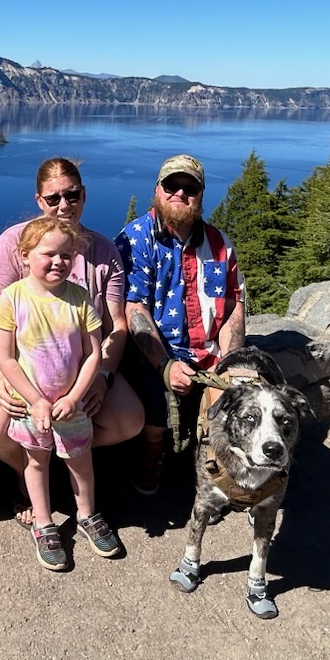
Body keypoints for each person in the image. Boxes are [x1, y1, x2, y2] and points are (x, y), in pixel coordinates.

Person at [0, 157, 143, 522]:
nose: (64, 205)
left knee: (129, 419)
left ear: (84, 195)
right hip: (20, 367)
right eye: (53, 198)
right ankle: (27, 473)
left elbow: (115, 325)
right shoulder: (13, 244)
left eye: (72, 195)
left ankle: (60, 457)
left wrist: (102, 377)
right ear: (39, 200)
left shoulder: (103, 252)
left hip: (79, 369)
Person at [0, 216, 124, 571]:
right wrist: (35, 400)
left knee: (81, 462)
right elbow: (5, 357)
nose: (58, 262)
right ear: (25, 255)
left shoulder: (79, 299)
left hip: (71, 406)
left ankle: (87, 514)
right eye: (48, 254)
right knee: (36, 462)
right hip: (31, 406)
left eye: (66, 255)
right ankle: (44, 523)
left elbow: (93, 354)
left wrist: (75, 397)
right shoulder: (13, 298)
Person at [114, 154, 244, 495]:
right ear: (158, 189)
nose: (180, 194)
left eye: (190, 188)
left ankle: (216, 466)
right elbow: (134, 308)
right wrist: (165, 365)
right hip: (155, 351)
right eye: (172, 185)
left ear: (201, 195)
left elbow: (233, 305)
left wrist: (231, 363)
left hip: (209, 353)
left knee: (241, 397)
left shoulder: (218, 244)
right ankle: (152, 450)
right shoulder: (136, 238)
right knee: (153, 391)